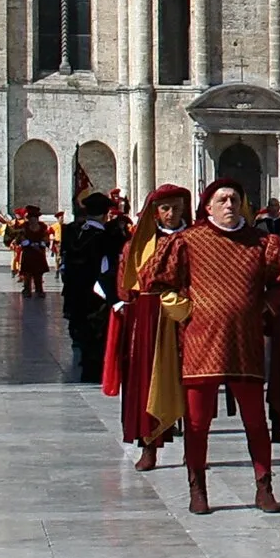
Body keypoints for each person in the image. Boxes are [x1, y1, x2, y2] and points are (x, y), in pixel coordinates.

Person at [139, 178, 280, 514]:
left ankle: (264, 487)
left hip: (244, 344)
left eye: (235, 198)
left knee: (255, 420)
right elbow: (155, 279)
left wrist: (266, 306)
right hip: (200, 344)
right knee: (197, 422)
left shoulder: (262, 242)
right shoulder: (188, 242)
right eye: (222, 199)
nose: (230, 204)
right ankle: (197, 490)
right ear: (208, 206)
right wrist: (182, 308)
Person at [111, 184, 192, 469]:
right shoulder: (141, 244)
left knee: (190, 383)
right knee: (148, 382)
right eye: (165, 209)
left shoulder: (194, 240)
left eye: (177, 208)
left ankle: (194, 449)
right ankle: (149, 446)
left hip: (186, 318)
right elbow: (126, 284)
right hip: (150, 320)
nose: (171, 214)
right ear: (155, 213)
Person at [62, 193, 121, 382]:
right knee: (95, 338)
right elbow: (104, 271)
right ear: (105, 215)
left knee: (80, 334)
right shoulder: (104, 238)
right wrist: (115, 300)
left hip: (74, 294)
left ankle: (85, 364)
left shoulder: (73, 233)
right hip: (94, 298)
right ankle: (93, 372)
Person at [12, 205, 51, 296]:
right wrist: (24, 241)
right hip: (28, 253)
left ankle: (39, 289)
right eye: (31, 218)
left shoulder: (42, 227)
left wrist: (42, 243)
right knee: (27, 273)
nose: (33, 220)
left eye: (35, 218)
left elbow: (46, 237)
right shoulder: (24, 227)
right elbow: (18, 238)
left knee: (38, 272)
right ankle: (27, 289)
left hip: (39, 253)